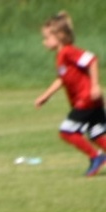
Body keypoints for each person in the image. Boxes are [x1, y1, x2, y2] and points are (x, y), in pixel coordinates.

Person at [35, 11, 106, 177]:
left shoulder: (68, 51)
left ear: (59, 36)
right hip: (90, 101)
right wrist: (45, 96)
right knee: (97, 134)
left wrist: (95, 85)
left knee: (67, 131)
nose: (44, 42)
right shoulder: (61, 57)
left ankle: (96, 157)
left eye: (47, 38)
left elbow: (92, 59)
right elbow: (62, 79)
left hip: (87, 98)